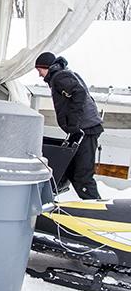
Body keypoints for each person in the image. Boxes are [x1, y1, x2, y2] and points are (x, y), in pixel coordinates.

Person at [34, 52, 103, 199]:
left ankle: (94, 206)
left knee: (82, 174)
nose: (39, 75)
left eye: (39, 70)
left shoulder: (60, 77)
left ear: (46, 67)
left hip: (86, 129)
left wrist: (72, 123)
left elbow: (80, 94)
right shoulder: (65, 74)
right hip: (83, 128)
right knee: (70, 170)